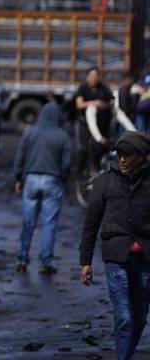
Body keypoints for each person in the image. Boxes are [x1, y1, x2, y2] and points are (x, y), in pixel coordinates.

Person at [80, 132, 150, 360]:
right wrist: (85, 262)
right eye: (119, 155)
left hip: (145, 258)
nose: (122, 160)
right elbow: (91, 224)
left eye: (127, 156)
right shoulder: (104, 182)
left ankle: (125, 355)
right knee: (125, 318)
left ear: (140, 157)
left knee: (140, 316)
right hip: (115, 257)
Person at [13, 103, 71, 274]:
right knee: (49, 224)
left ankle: (22, 259)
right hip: (52, 181)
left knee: (28, 223)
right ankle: (45, 262)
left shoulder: (29, 132)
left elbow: (20, 156)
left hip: (30, 180)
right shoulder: (62, 135)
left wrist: (18, 178)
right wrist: (63, 178)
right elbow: (67, 163)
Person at [76, 67, 114, 176]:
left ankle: (94, 168)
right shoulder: (83, 88)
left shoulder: (103, 88)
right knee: (82, 148)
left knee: (98, 146)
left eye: (96, 76)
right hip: (84, 123)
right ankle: (79, 172)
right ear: (87, 77)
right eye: (91, 76)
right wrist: (94, 103)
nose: (94, 78)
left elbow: (111, 102)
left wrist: (103, 105)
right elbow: (79, 104)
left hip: (99, 123)